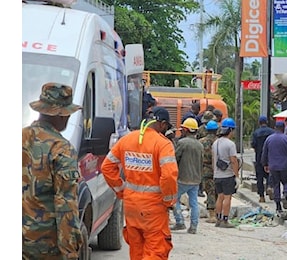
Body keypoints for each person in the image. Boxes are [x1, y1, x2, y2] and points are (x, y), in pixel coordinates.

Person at [101, 106, 178, 260]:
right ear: (162, 124)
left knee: (137, 250)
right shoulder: (163, 144)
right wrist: (169, 200)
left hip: (131, 207)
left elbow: (107, 167)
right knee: (156, 250)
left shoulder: (127, 139)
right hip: (153, 209)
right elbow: (169, 175)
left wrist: (122, 190)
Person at [22, 83, 84, 259]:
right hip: (43, 246)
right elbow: (66, 205)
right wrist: (70, 251)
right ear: (60, 114)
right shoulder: (61, 149)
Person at [171, 118, 204, 234]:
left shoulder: (182, 143)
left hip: (182, 178)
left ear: (185, 129)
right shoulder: (200, 145)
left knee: (174, 200)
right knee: (194, 203)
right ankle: (193, 226)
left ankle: (180, 222)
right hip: (195, 179)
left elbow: (174, 159)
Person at [212, 118, 239, 228]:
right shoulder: (230, 144)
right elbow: (233, 160)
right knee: (227, 197)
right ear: (230, 130)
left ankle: (218, 219)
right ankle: (225, 220)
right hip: (227, 175)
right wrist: (236, 176)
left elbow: (214, 160)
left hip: (217, 175)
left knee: (220, 197)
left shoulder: (215, 143)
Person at [261, 121, 287, 212]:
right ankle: (285, 195)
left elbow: (264, 153)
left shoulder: (269, 139)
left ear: (275, 128)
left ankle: (278, 207)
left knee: (276, 186)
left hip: (273, 166)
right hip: (284, 166)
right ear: (283, 128)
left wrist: (265, 164)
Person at [199, 120, 220, 223]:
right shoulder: (219, 141)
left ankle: (212, 215)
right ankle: (217, 213)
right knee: (217, 191)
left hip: (205, 169)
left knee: (210, 191)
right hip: (218, 169)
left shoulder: (201, 142)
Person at [251, 116, 276, 203]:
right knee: (270, 174)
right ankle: (270, 186)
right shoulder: (272, 132)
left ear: (259, 122)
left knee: (259, 177)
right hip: (270, 157)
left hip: (259, 157)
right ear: (267, 122)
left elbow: (253, 145)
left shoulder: (256, 133)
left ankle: (261, 196)